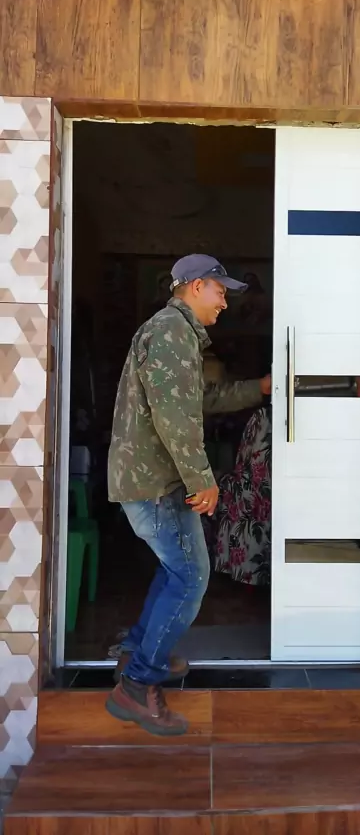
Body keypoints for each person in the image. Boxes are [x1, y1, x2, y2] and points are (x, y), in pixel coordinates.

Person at [106, 254, 271, 736]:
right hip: (157, 484)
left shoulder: (175, 332)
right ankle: (138, 684)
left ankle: (137, 653)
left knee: (176, 569)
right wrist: (203, 479)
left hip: (154, 481)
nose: (225, 302)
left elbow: (198, 401)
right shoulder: (172, 332)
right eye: (221, 291)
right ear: (196, 286)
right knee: (191, 577)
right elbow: (175, 419)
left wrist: (260, 388)